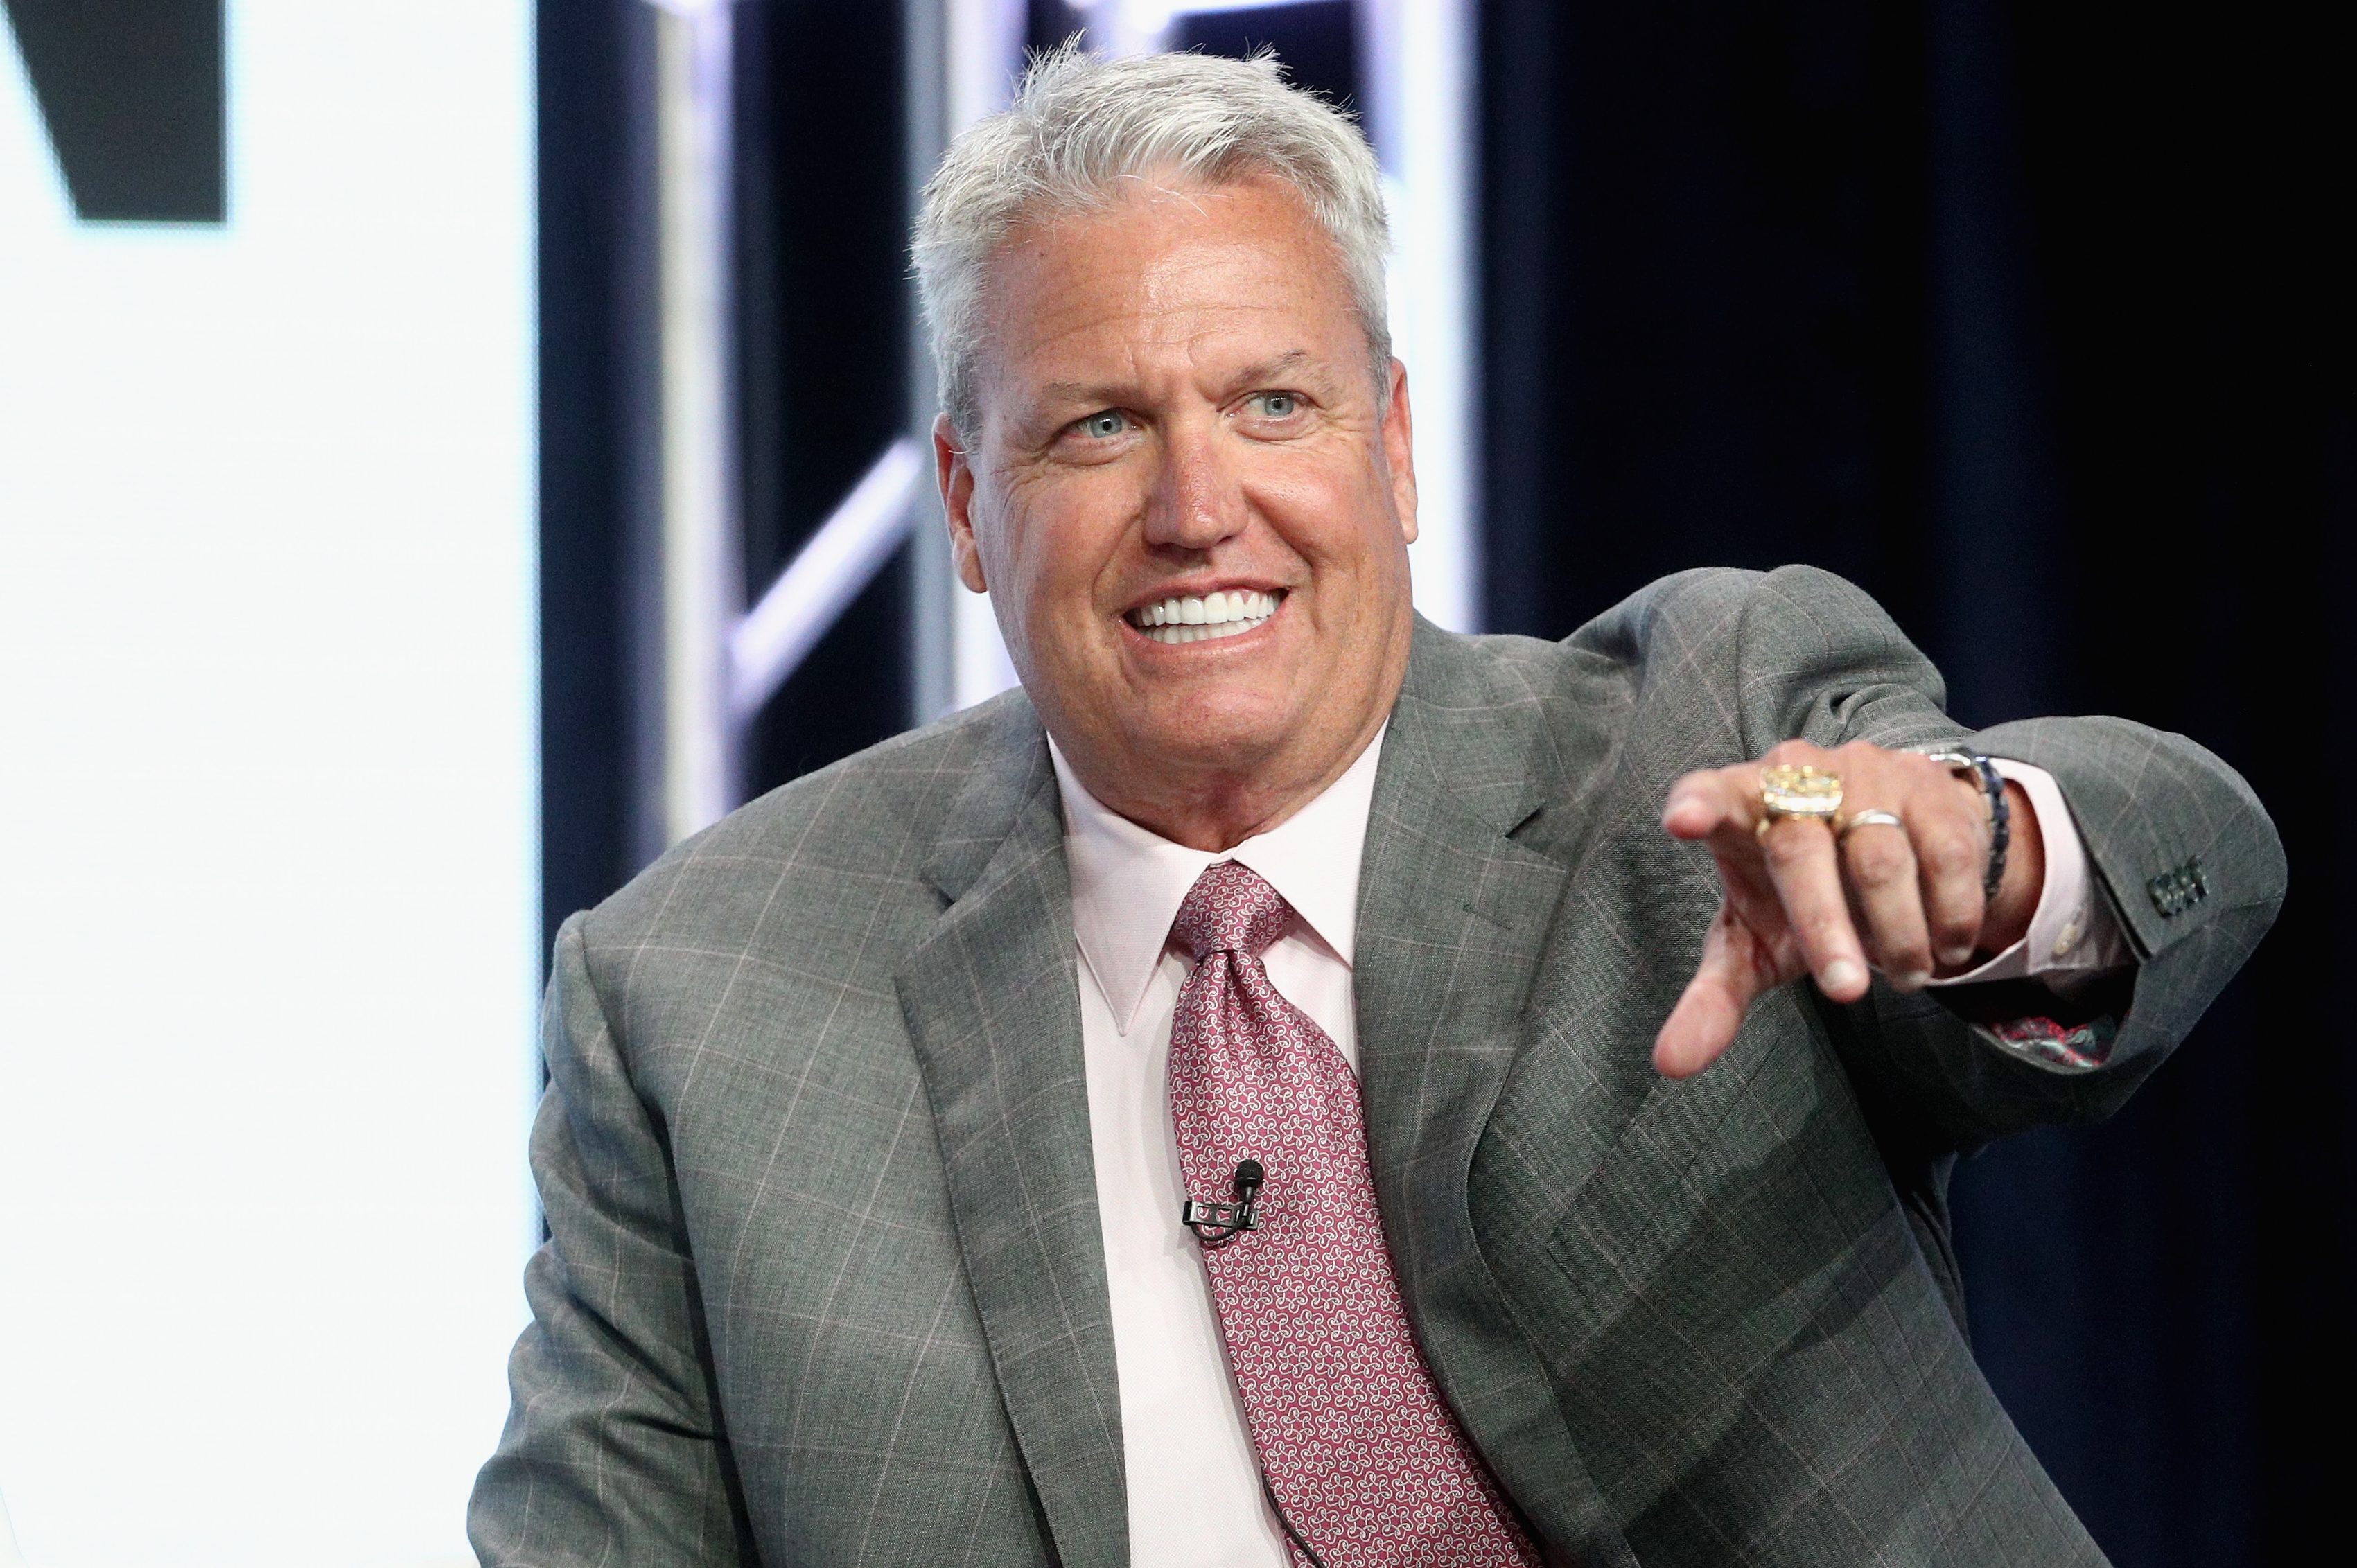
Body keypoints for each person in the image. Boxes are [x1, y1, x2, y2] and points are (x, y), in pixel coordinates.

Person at [471, 46, 2281, 1568]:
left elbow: (2186, 838)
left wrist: (1978, 854)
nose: (1196, 505)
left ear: (1393, 448)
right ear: (962, 501)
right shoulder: (700, 1000)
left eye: (1273, 404)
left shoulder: (1690, 743)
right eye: (1095, 427)